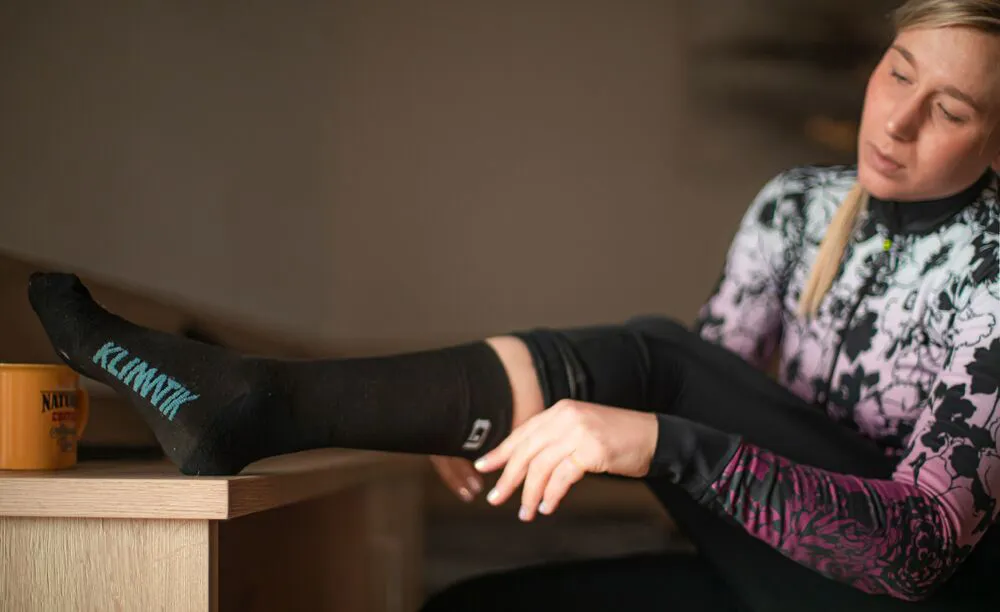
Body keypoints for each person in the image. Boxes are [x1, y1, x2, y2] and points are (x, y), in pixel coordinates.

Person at [24, 0, 999, 609]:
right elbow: (716, 399)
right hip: (777, 575)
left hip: (906, 594)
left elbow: (914, 553)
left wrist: (659, 442)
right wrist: (463, 412)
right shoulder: (797, 207)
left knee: (656, 356)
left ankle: (251, 400)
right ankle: (248, 402)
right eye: (896, 73)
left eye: (950, 110)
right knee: (473, 609)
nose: (897, 121)